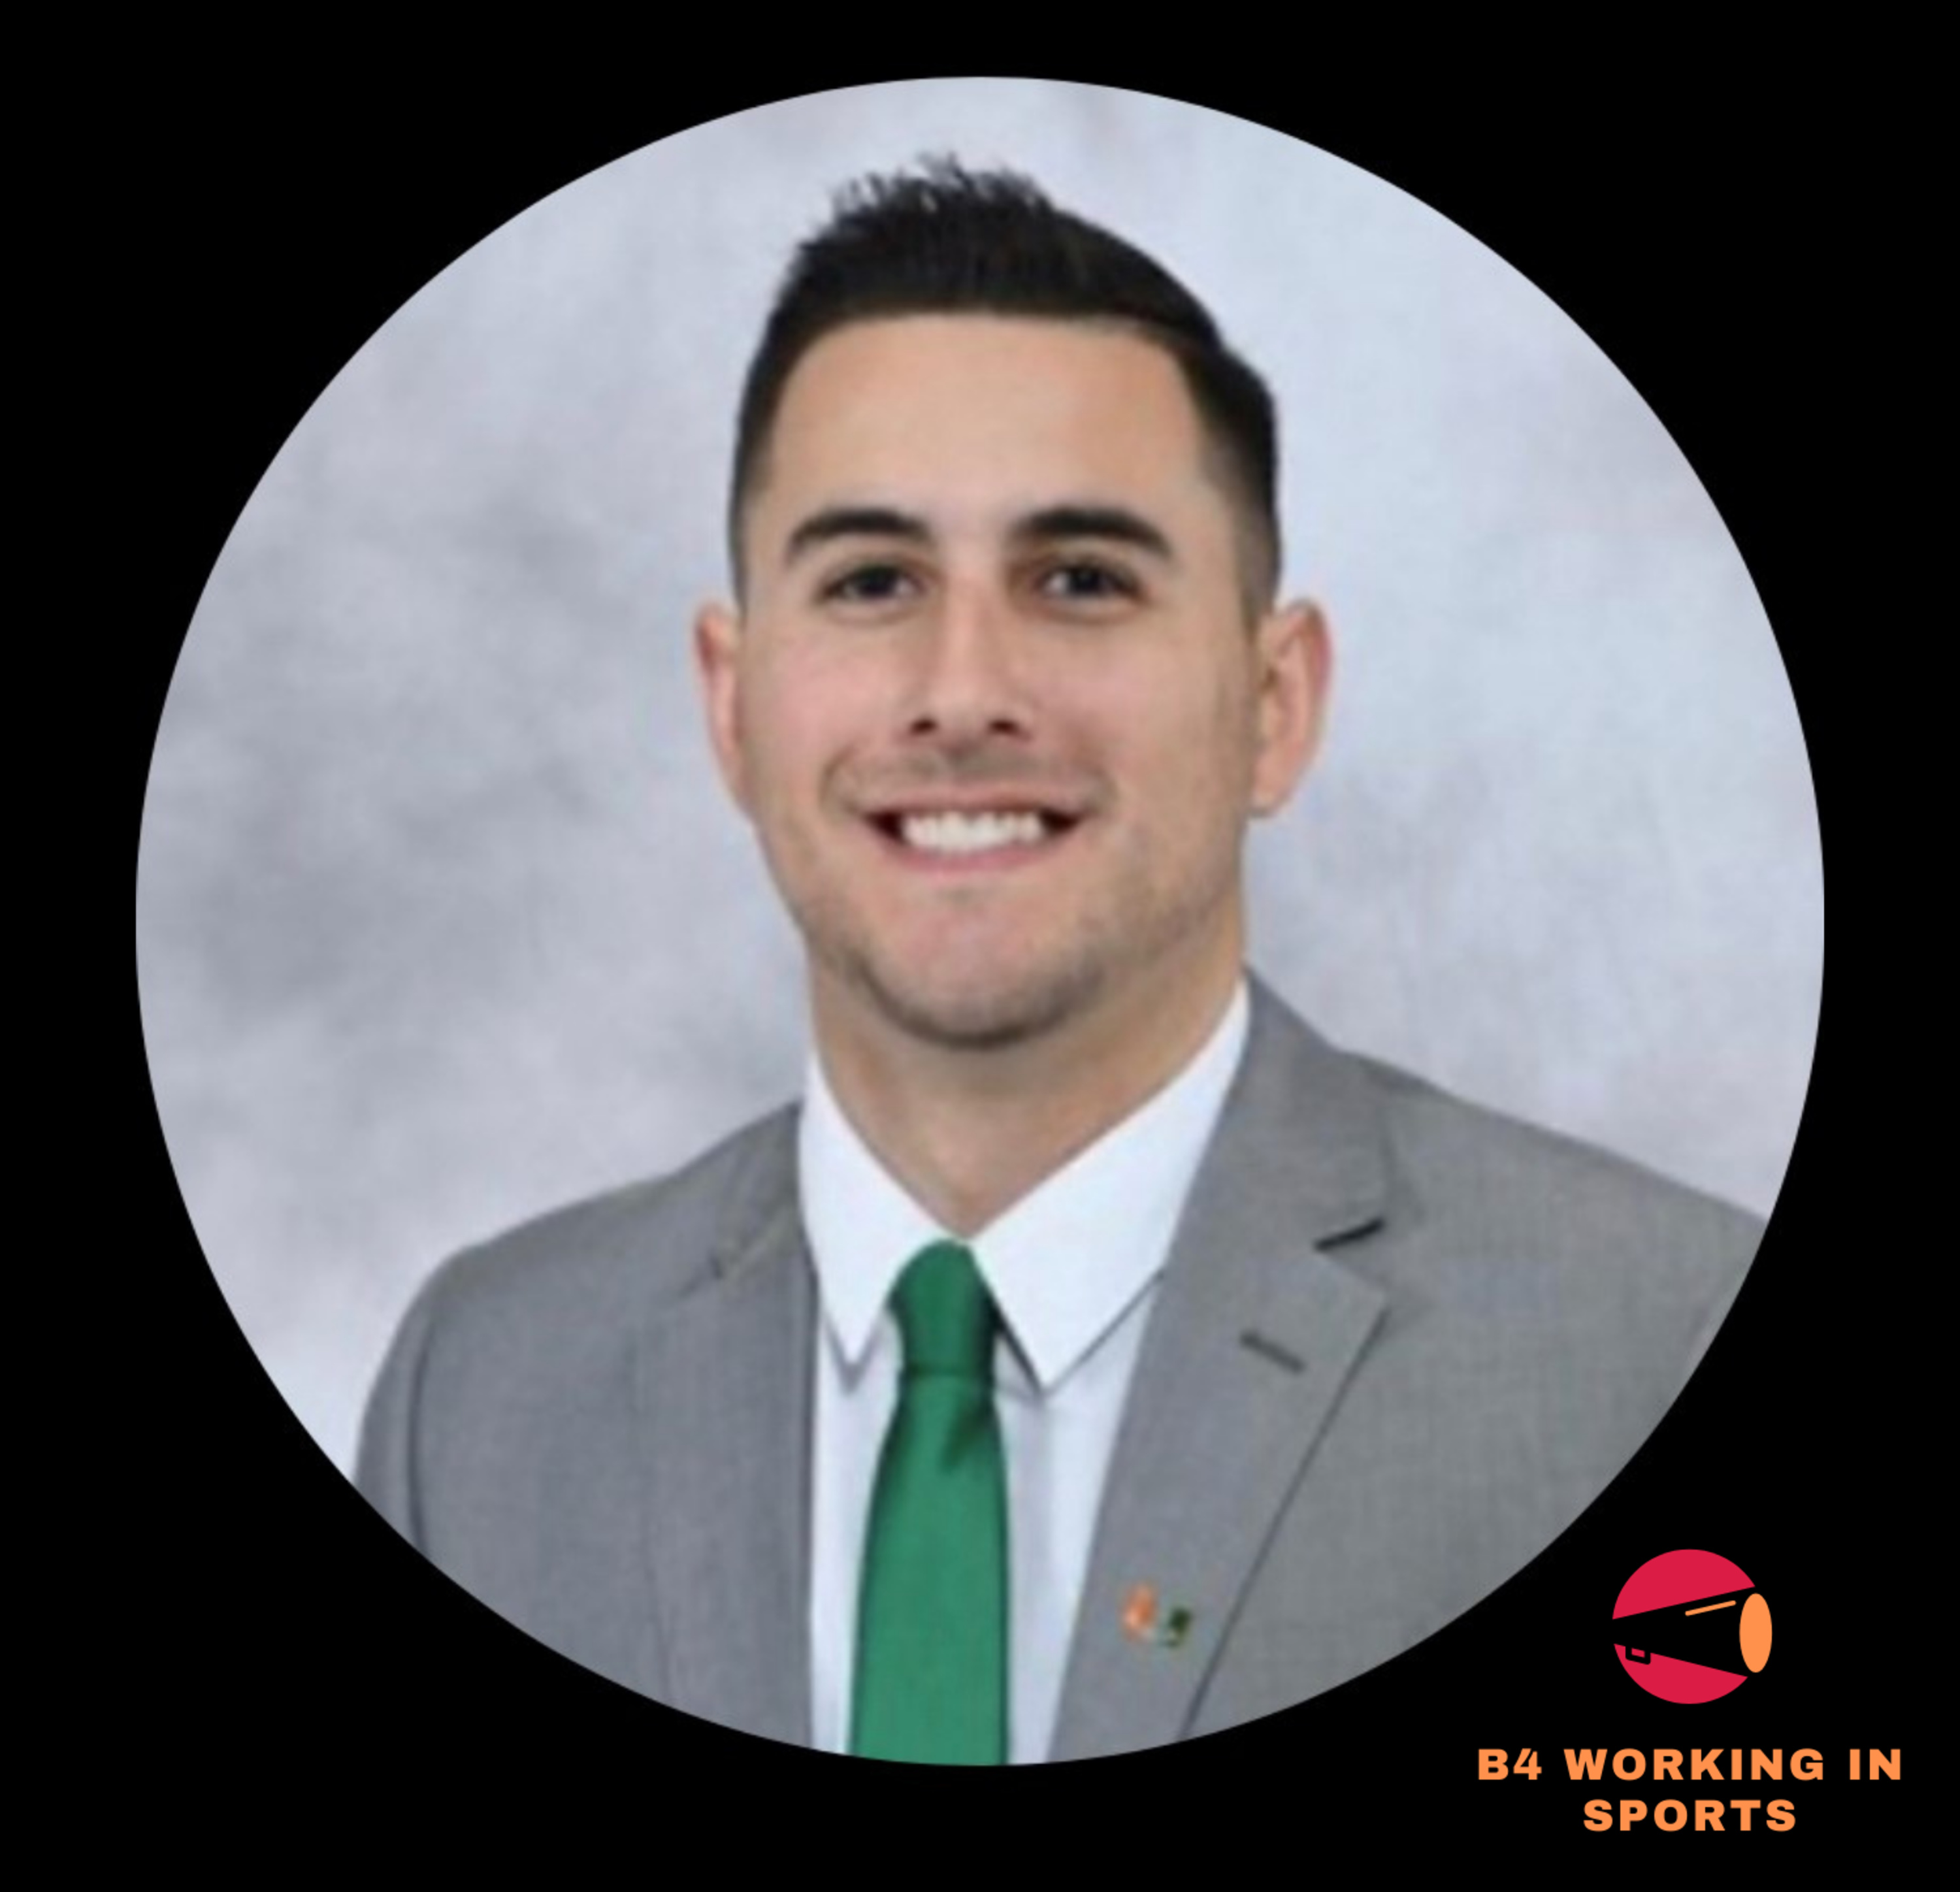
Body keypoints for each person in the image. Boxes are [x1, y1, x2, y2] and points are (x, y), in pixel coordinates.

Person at [357, 163, 1761, 1763]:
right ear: (733, 708)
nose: (965, 692)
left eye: (1081, 580)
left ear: (1275, 705)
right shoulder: (482, 1393)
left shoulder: (1647, 1346)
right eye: (872, 582)